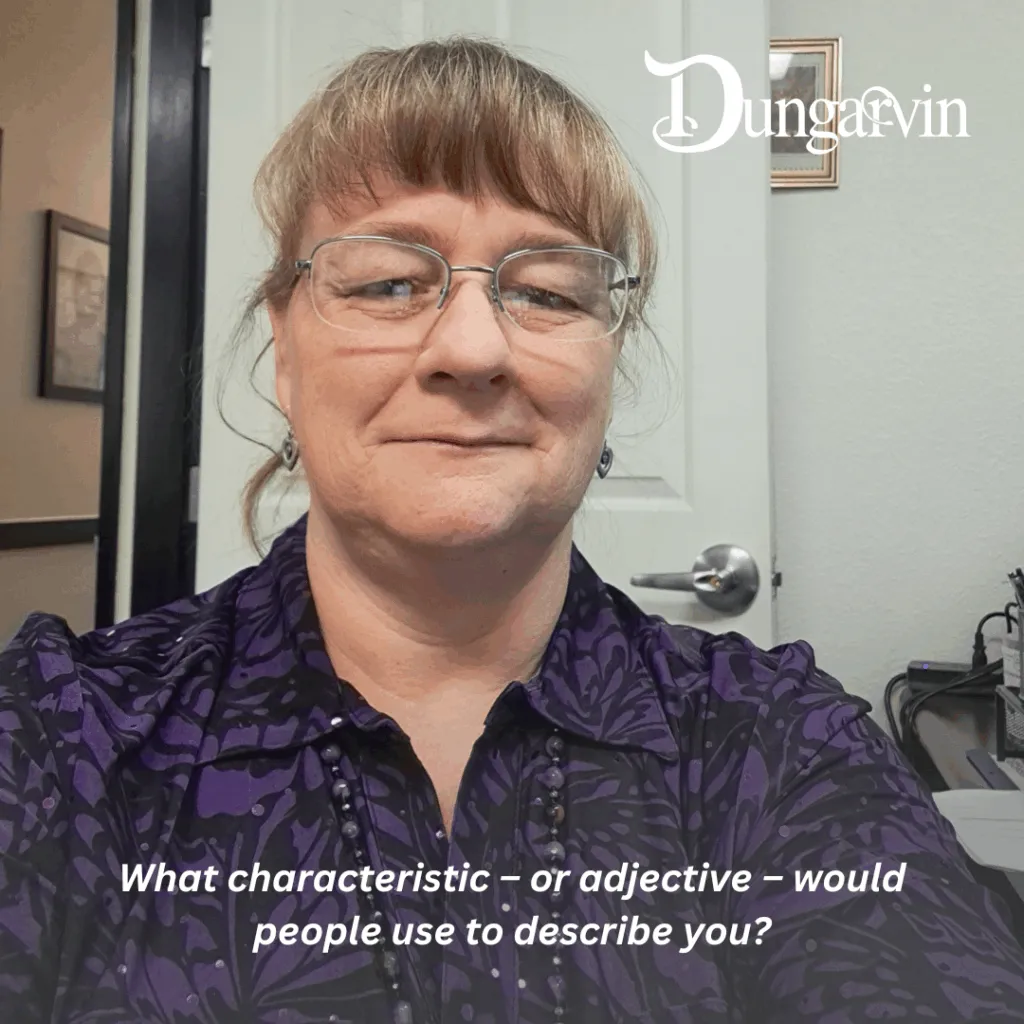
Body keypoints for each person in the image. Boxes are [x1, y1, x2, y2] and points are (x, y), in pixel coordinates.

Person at [1, 36, 1023, 1024]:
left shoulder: (780, 745)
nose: (472, 347)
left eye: (545, 291)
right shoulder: (63, 734)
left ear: (608, 365)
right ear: (283, 346)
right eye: (387, 281)